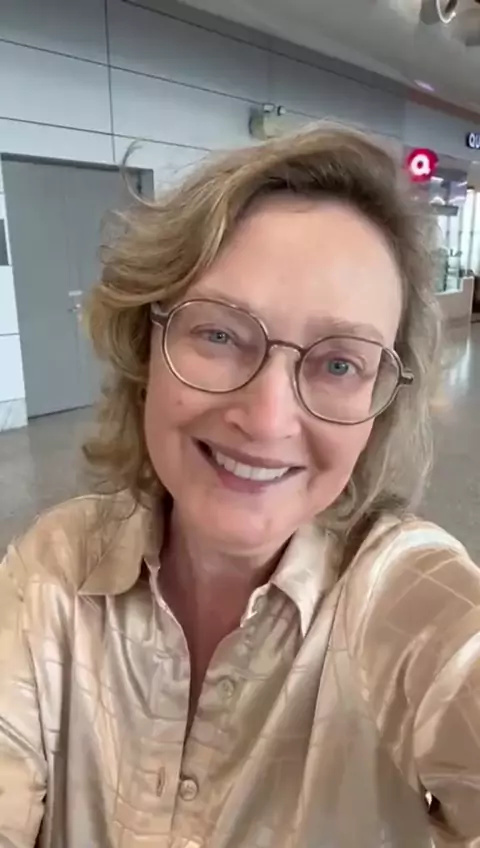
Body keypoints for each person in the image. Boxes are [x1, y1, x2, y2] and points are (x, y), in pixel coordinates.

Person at [0, 128, 479, 848]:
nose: (266, 418)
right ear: (145, 350)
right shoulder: (57, 567)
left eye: (339, 364)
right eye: (220, 335)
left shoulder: (406, 598)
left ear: (379, 410)